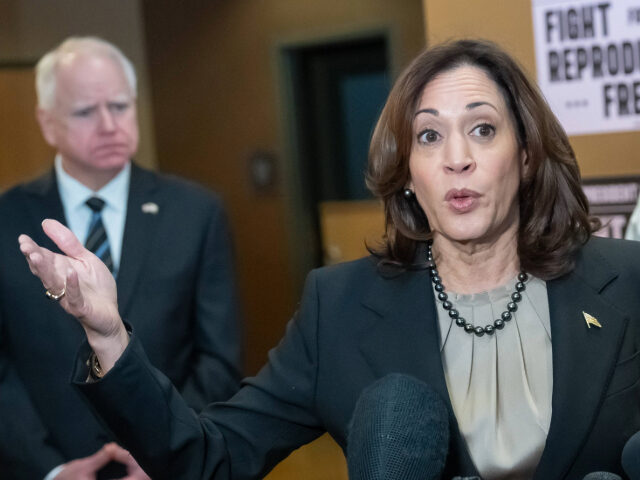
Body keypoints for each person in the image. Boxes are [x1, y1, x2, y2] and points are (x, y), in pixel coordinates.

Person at [18, 39, 640, 480]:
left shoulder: (625, 282)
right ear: (406, 176)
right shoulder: (338, 308)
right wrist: (108, 336)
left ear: (526, 155)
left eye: (483, 129)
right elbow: (207, 460)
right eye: (429, 135)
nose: (457, 157)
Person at [0, 36, 243, 479]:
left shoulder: (195, 212)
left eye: (120, 106)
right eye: (86, 111)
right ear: (47, 122)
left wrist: (166, 448)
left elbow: (218, 359)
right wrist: (51, 470)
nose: (110, 125)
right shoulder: (6, 218)